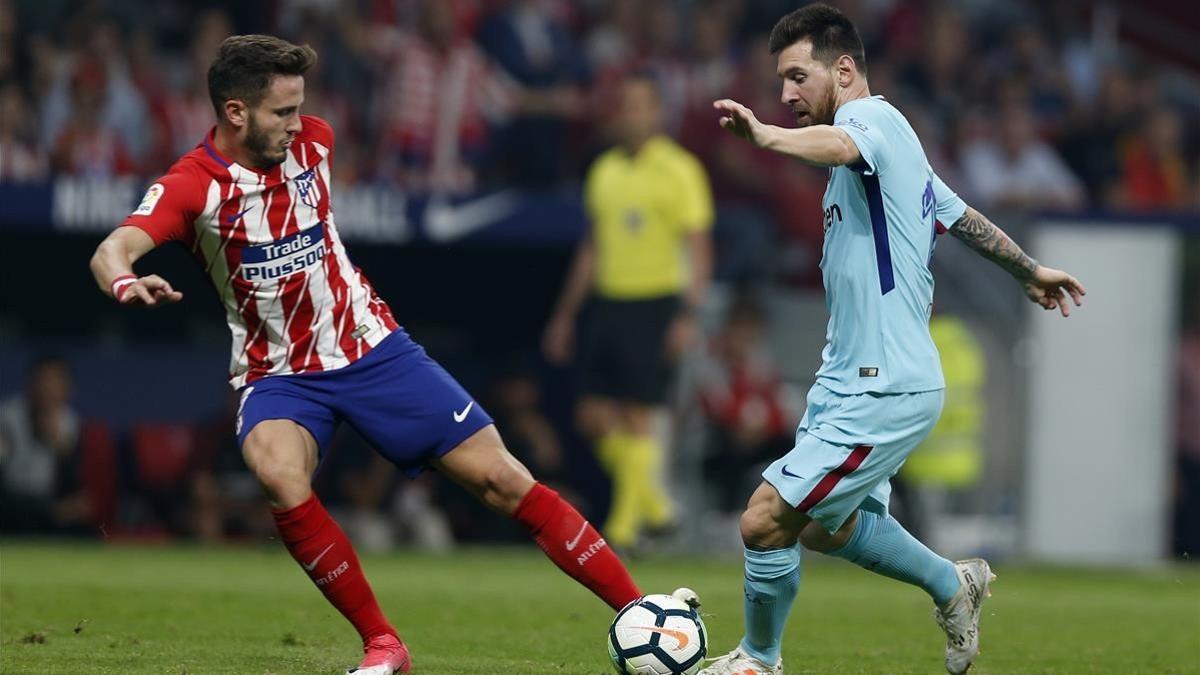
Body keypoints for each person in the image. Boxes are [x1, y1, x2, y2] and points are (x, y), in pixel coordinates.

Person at [88, 35, 644, 675]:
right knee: (275, 470)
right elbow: (111, 251)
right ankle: (384, 644)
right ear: (235, 113)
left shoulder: (316, 142)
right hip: (280, 373)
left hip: (373, 350)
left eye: (300, 109)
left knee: (503, 480)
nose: (299, 124)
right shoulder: (193, 186)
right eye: (282, 112)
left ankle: (640, 613)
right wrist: (128, 282)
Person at [701, 6, 1086, 674]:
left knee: (764, 519)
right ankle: (950, 583)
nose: (786, 94)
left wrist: (764, 137)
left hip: (887, 382)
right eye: (780, 83)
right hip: (848, 378)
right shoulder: (899, 154)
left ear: (843, 68)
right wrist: (1029, 268)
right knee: (825, 527)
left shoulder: (870, 123)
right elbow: (960, 214)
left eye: (798, 76)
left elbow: (842, 144)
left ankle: (757, 661)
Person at [543, 70, 714, 551]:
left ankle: (621, 526)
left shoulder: (680, 169)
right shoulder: (604, 171)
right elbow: (592, 248)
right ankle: (655, 501)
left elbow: (699, 249)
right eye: (624, 106)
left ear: (657, 112)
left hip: (656, 302)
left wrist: (687, 314)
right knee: (592, 416)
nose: (630, 114)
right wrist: (565, 315)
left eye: (640, 105)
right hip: (608, 302)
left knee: (639, 414)